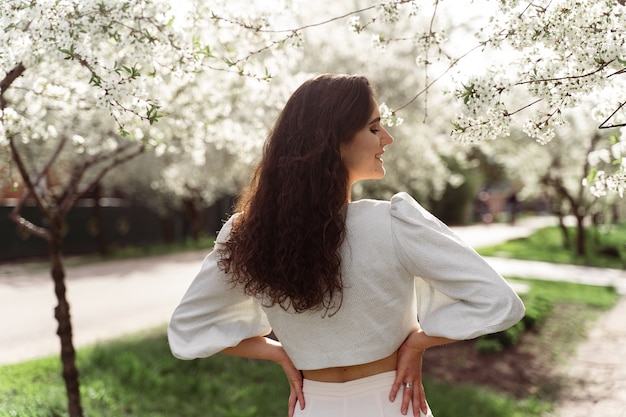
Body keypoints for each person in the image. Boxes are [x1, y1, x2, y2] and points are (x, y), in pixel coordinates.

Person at [168, 74, 525, 417]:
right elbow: (500, 303)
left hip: (313, 407)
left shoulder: (250, 234)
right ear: (333, 141)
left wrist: (280, 353)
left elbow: (188, 330)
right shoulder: (395, 223)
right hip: (393, 405)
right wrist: (419, 342)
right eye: (373, 128)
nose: (387, 138)